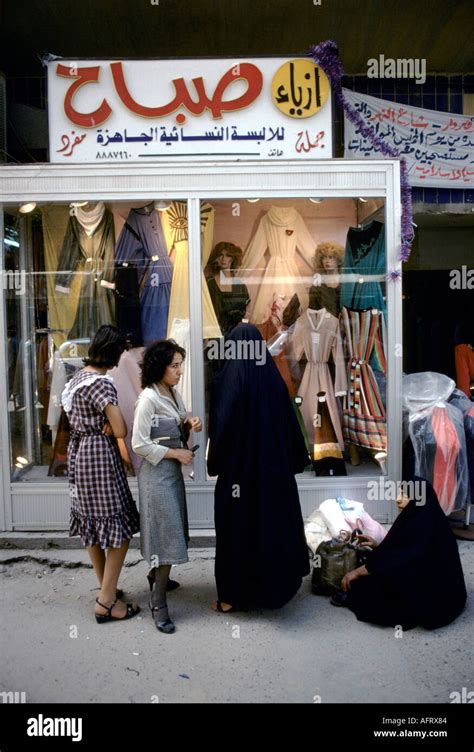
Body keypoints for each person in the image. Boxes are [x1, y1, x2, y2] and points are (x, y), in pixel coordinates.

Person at [207, 323, 310, 613]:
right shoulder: (272, 379)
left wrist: (216, 464)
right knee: (271, 526)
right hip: (272, 474)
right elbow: (290, 425)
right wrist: (291, 461)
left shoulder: (227, 379)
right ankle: (275, 589)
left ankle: (232, 598)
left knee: (237, 531)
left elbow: (222, 426)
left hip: (238, 475)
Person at [61, 325, 140, 624]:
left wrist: (100, 424)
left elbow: (74, 419)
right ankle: (106, 602)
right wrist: (109, 426)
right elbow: (121, 430)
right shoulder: (102, 384)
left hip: (79, 453)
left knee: (91, 523)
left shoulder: (77, 378)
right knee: (117, 528)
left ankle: (107, 588)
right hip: (99, 457)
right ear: (113, 352)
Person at [132, 340, 202, 634]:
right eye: (174, 366)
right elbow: (138, 444)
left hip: (171, 474)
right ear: (159, 367)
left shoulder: (171, 392)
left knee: (172, 529)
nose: (180, 371)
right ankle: (158, 602)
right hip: (156, 476)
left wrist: (189, 423)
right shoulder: (148, 399)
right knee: (167, 534)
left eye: (180, 365)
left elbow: (178, 422)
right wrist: (176, 454)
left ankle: (155, 575)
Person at [338, 477, 467, 630]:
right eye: (400, 493)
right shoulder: (429, 516)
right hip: (449, 595)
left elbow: (402, 558)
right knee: (377, 564)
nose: (398, 499)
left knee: (367, 585)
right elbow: (404, 550)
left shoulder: (419, 524)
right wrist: (378, 545)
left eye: (405, 495)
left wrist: (358, 572)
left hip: (431, 601)